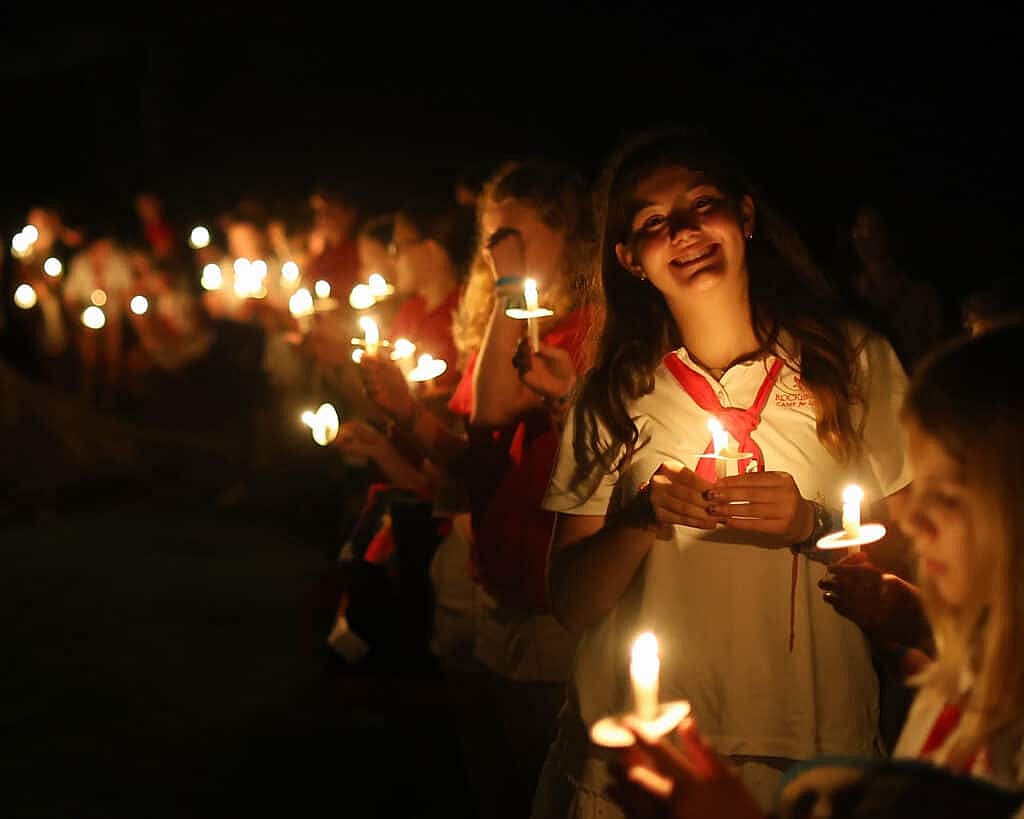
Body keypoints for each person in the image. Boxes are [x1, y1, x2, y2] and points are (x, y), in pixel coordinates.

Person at [531, 126, 914, 817]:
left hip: (809, 741)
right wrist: (640, 517)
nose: (682, 230)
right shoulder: (613, 392)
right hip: (649, 752)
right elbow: (572, 601)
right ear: (630, 259)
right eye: (652, 222)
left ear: (744, 217)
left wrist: (813, 523)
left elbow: (919, 559)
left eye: (701, 204)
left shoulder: (855, 362)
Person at [606, 323, 1024, 819]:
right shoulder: (962, 683)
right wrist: (912, 625)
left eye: (947, 497)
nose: (910, 519)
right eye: (919, 489)